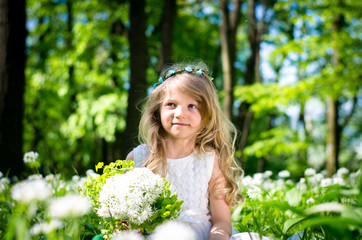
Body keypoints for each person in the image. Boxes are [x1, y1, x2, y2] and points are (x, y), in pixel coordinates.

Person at [126, 62, 272, 240]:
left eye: (192, 106)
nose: (180, 113)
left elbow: (222, 222)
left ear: (207, 116)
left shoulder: (209, 161)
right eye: (171, 104)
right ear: (157, 110)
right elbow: (126, 219)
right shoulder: (139, 158)